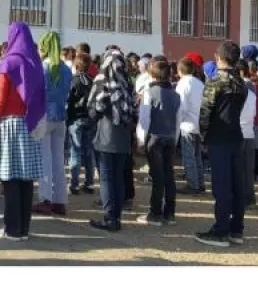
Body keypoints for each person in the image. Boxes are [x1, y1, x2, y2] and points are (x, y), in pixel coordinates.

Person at [0, 22, 45, 241]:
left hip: (9, 124)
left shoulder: (8, 63)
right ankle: (24, 228)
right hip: (29, 123)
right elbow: (41, 96)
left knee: (9, 178)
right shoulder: (35, 62)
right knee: (26, 179)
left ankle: (11, 229)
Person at [195, 41, 247, 248]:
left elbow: (205, 113)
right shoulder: (240, 82)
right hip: (236, 136)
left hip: (219, 138)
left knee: (222, 186)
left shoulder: (215, 81)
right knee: (237, 185)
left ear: (219, 57)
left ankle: (220, 231)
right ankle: (237, 229)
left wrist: (203, 136)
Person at [88, 49, 135, 232]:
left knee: (106, 178)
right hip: (123, 136)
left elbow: (94, 108)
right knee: (118, 177)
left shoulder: (102, 81)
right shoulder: (127, 84)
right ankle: (117, 216)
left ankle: (109, 218)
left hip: (106, 135)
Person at [136, 58, 181, 226]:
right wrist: (175, 140)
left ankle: (155, 213)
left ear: (151, 75)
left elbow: (145, 119)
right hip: (170, 137)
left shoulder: (149, 93)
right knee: (169, 175)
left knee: (157, 177)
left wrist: (141, 140)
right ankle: (170, 213)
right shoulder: (176, 95)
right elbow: (178, 120)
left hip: (154, 138)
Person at [34, 32, 72, 216]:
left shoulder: (43, 68)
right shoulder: (66, 69)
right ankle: (60, 200)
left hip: (45, 116)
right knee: (58, 160)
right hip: (60, 117)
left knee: (45, 159)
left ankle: (45, 198)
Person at [176, 58, 206, 194]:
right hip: (199, 124)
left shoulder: (182, 84)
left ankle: (192, 185)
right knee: (197, 156)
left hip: (187, 124)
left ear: (179, 70)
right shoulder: (199, 83)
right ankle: (200, 183)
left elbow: (182, 107)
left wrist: (177, 124)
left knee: (189, 156)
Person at [67, 53, 96, 194]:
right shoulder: (93, 81)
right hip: (90, 119)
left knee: (75, 151)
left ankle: (75, 184)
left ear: (76, 66)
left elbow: (69, 101)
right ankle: (90, 183)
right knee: (89, 151)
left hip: (76, 119)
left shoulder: (73, 81)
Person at [238, 62, 257, 208]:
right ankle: (250, 198)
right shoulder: (252, 89)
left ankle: (240, 198)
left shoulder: (239, 88)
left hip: (238, 132)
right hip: (249, 132)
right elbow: (254, 113)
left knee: (238, 169)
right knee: (248, 168)